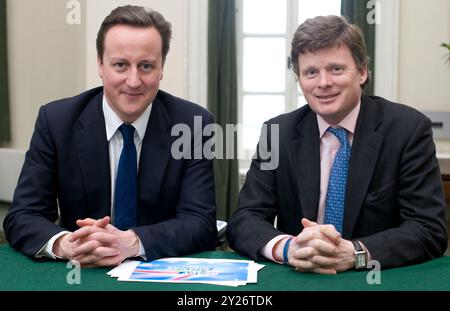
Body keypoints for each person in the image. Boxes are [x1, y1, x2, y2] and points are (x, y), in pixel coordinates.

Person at [227, 15, 447, 274]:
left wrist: (355, 253)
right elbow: (244, 220)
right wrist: (290, 248)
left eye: (336, 69)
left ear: (362, 71)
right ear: (299, 79)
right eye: (311, 72)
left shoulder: (408, 129)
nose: (323, 83)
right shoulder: (277, 132)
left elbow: (427, 228)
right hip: (300, 278)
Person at [3, 5, 217, 267]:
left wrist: (131, 242)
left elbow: (200, 223)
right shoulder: (56, 121)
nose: (134, 80)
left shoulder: (194, 124)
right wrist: (65, 243)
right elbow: (23, 215)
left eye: (146, 66)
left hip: (156, 273)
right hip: (82, 272)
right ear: (100, 65)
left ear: (162, 69)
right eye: (120, 65)